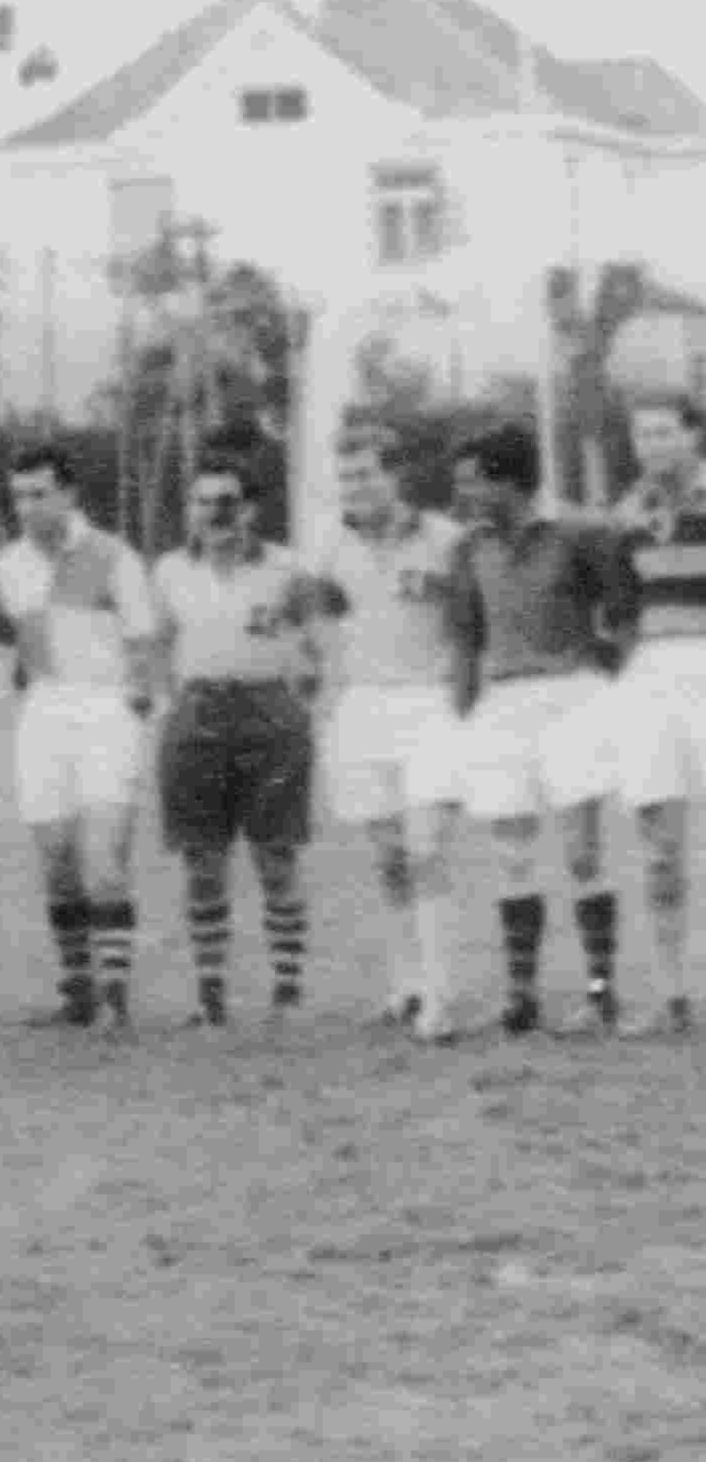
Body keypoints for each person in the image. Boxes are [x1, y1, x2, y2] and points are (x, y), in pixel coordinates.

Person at [446, 425, 638, 1035]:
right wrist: (464, 712)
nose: (464, 496)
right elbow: (467, 639)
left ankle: (601, 990)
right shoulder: (468, 550)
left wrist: (609, 675)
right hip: (503, 701)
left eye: (473, 482)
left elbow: (625, 612)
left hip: (572, 698)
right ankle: (521, 995)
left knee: (583, 852)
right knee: (511, 853)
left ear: (510, 481)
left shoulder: (581, 534)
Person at [307, 426, 470, 1042]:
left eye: (366, 474)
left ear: (396, 476)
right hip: (360, 709)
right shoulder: (327, 549)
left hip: (431, 704)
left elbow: (468, 625)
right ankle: (405, 985)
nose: (355, 488)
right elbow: (322, 631)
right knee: (388, 857)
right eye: (346, 477)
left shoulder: (448, 541)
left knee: (427, 847)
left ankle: (442, 996)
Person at [151, 458, 326, 1027]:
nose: (216, 513)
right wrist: (165, 703)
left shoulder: (287, 568)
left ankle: (289, 991)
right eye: (204, 502)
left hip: (268, 712)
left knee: (276, 855)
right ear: (191, 510)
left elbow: (317, 642)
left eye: (228, 501)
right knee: (202, 860)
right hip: (198, 711)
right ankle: (210, 996)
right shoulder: (171, 570)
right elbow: (159, 644)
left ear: (250, 508)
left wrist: (299, 694)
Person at [0, 446, 158, 1031]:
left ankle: (115, 994)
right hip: (44, 711)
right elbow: (11, 650)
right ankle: (78, 991)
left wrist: (137, 708)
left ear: (69, 494)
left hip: (106, 707)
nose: (27, 506)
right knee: (55, 857)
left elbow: (143, 643)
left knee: (105, 859)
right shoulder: (8, 565)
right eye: (18, 495)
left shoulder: (116, 557)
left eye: (39, 494)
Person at [606, 397, 706, 1034]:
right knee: (660, 848)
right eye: (643, 435)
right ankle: (673, 995)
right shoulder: (627, 514)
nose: (653, 445)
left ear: (693, 437)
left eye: (665, 432)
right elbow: (617, 614)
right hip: (650, 677)